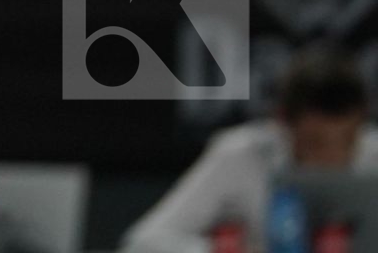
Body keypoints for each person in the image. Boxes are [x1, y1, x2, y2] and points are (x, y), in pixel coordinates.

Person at [123, 46, 378, 253]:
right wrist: (219, 251)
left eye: (348, 140)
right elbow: (144, 242)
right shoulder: (240, 155)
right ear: (282, 123)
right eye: (315, 142)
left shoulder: (374, 153)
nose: (333, 157)